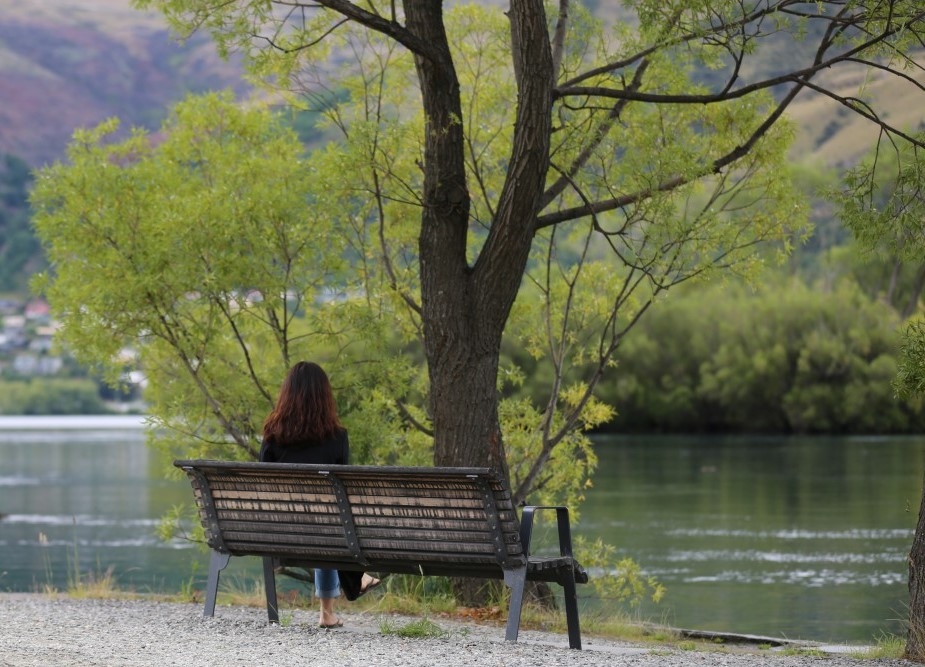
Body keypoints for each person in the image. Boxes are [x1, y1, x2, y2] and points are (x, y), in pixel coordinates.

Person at [260, 360, 380, 628]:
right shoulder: (337, 437)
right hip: (325, 531)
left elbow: (265, 487)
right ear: (325, 397)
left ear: (287, 394)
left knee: (327, 521)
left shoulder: (272, 436)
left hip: (277, 531)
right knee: (332, 519)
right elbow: (341, 494)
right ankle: (354, 582)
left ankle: (331, 610)